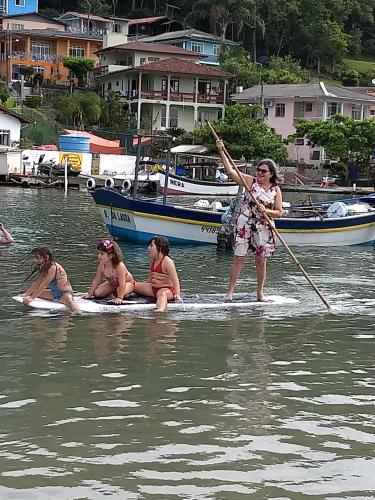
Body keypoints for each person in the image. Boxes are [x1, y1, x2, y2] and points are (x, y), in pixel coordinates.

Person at [216, 139, 283, 302]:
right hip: (245, 223)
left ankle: (260, 292)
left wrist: (265, 210)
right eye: (258, 170)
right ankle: (230, 292)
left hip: (264, 227)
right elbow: (231, 172)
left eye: (263, 171)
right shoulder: (250, 182)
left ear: (271, 174)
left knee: (261, 260)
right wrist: (221, 151)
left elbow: (279, 212)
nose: (259, 173)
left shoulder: (275, 190)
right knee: (239, 257)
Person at [22, 246, 79, 312]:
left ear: (46, 257)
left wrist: (32, 298)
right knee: (32, 293)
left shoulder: (53, 267)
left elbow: (44, 284)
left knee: (70, 302)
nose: (34, 260)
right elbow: (38, 281)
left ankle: (79, 314)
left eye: (37, 258)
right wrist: (27, 293)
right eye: (34, 257)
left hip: (64, 293)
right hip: (53, 293)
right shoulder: (44, 266)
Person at [134, 236, 181, 312]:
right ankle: (122, 294)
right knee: (133, 284)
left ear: (159, 248)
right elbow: (149, 279)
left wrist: (177, 294)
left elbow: (175, 281)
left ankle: (159, 312)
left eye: (151, 246)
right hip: (153, 289)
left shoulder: (167, 261)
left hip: (166, 290)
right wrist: (141, 288)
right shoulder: (153, 260)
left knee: (163, 294)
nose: (148, 248)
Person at [83, 239, 135, 304]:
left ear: (110, 255)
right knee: (97, 293)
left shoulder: (119, 266)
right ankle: (115, 291)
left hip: (127, 282)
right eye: (98, 253)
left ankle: (126, 293)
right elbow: (95, 281)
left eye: (102, 254)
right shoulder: (101, 266)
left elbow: (122, 283)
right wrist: (89, 294)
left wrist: (120, 297)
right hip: (113, 284)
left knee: (119, 292)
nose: (99, 256)